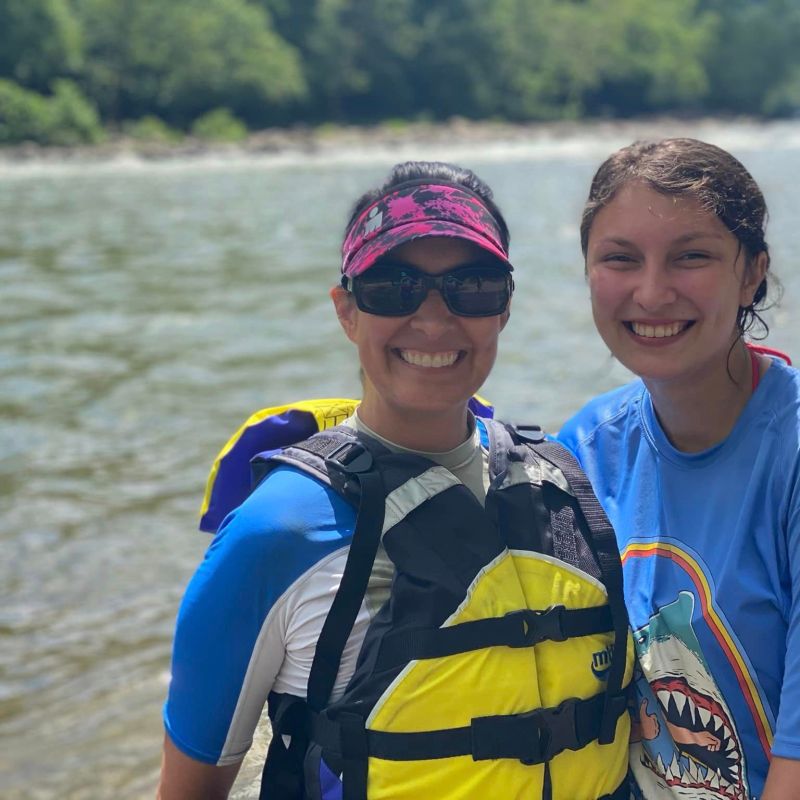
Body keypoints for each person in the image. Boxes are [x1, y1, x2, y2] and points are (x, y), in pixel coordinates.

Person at [158, 161, 634, 800]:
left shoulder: (565, 488)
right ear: (346, 311)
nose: (434, 320)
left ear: (505, 308)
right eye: (392, 286)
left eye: (472, 285)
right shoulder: (277, 534)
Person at [557, 138, 800, 800]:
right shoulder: (580, 451)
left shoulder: (791, 452)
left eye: (691, 257)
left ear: (752, 272)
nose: (652, 291)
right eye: (620, 259)